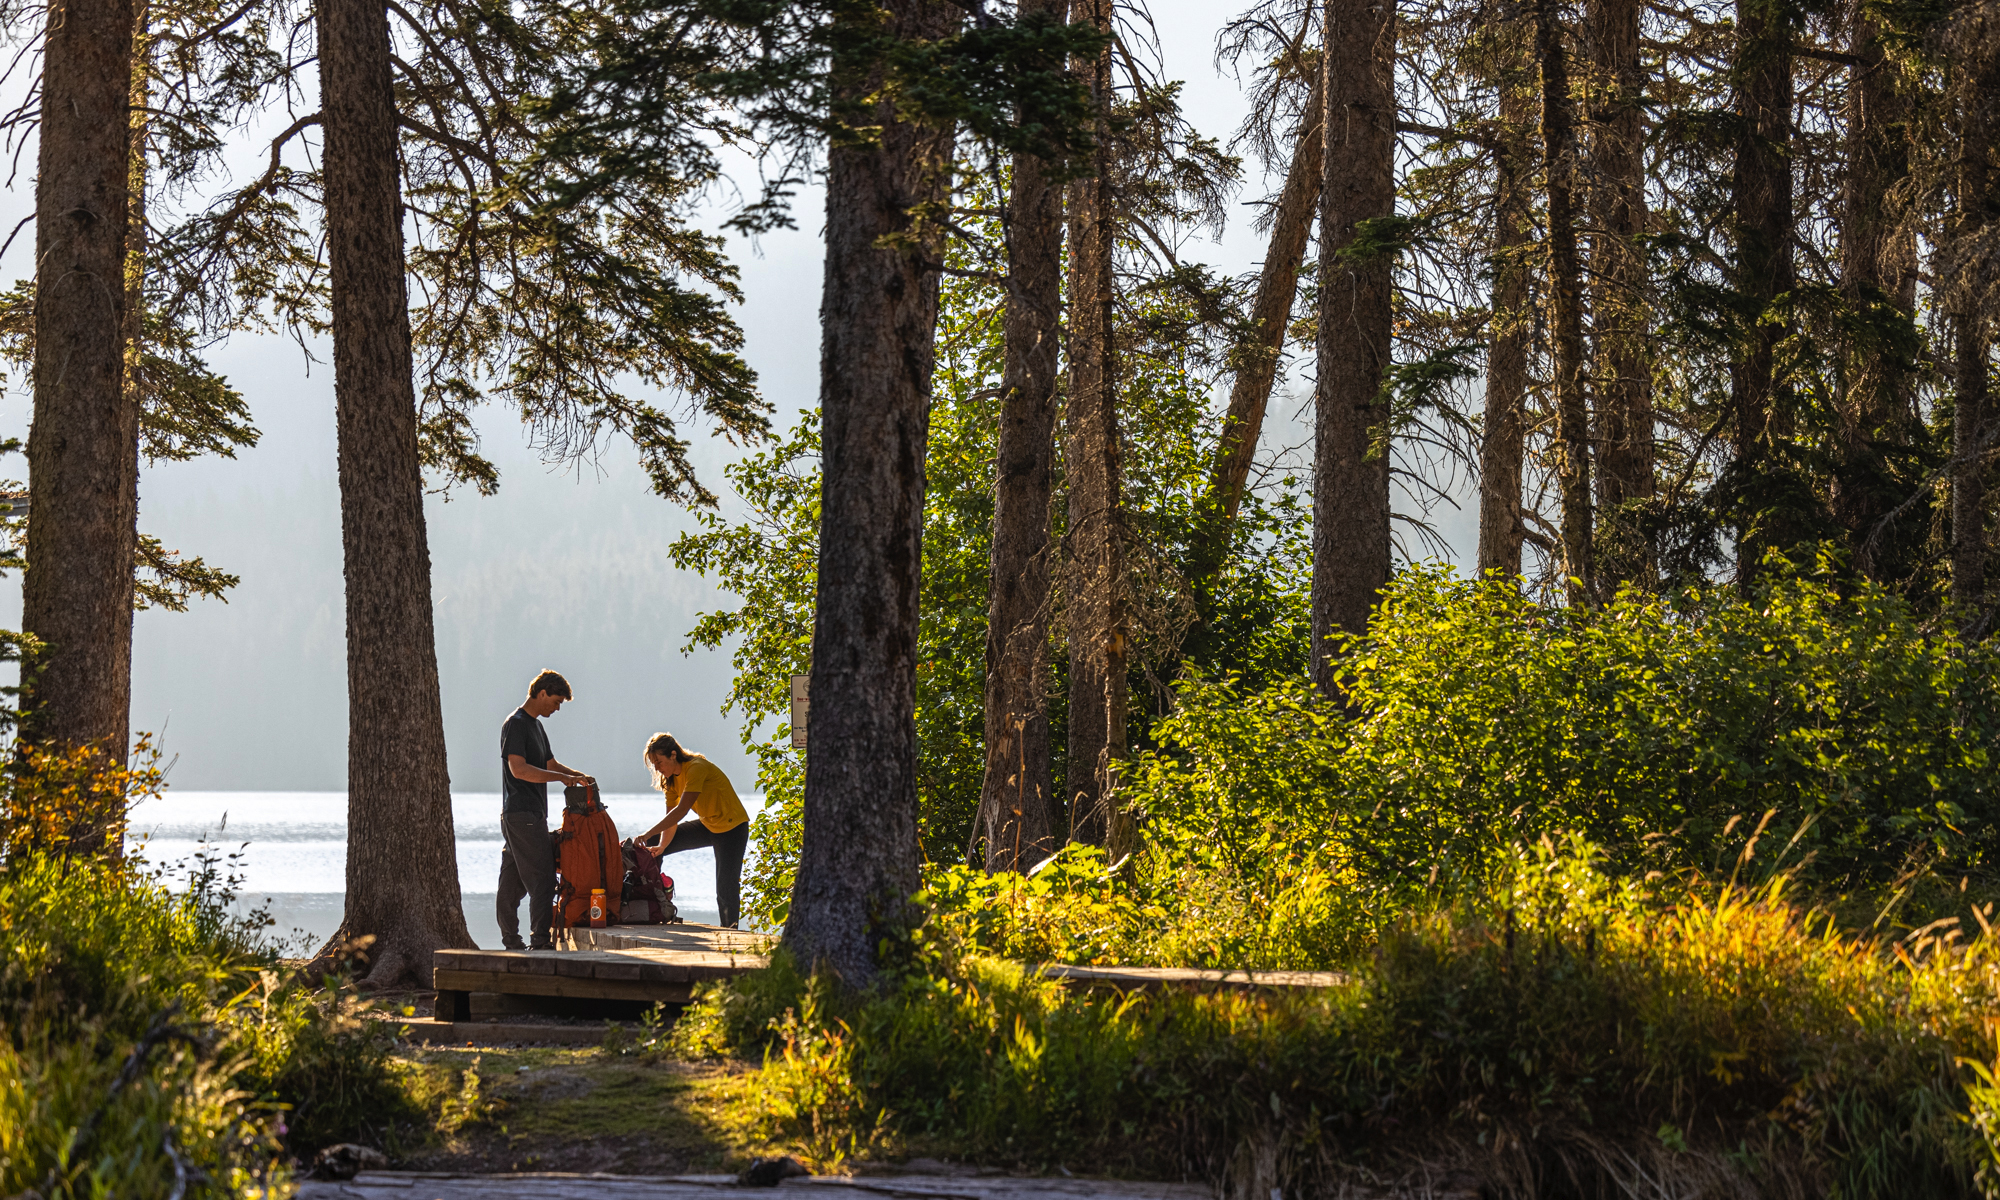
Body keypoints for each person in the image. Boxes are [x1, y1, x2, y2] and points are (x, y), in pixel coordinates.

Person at [497, 670, 593, 950]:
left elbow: (549, 765)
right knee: (543, 878)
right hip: (521, 813)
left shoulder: (536, 726)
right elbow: (520, 770)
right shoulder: (515, 724)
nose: (557, 707)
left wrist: (576, 775)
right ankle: (540, 941)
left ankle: (511, 941)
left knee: (513, 880)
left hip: (532, 814)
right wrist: (562, 779)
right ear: (541, 693)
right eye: (556, 701)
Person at [637, 732, 749, 928]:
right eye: (653, 763)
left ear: (673, 755)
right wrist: (662, 845)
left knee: (725, 888)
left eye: (658, 761)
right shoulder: (670, 780)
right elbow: (669, 820)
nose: (656, 767)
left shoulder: (696, 768)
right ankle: (652, 901)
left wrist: (645, 833)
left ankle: (731, 933)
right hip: (709, 825)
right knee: (653, 842)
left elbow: (681, 811)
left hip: (732, 828)